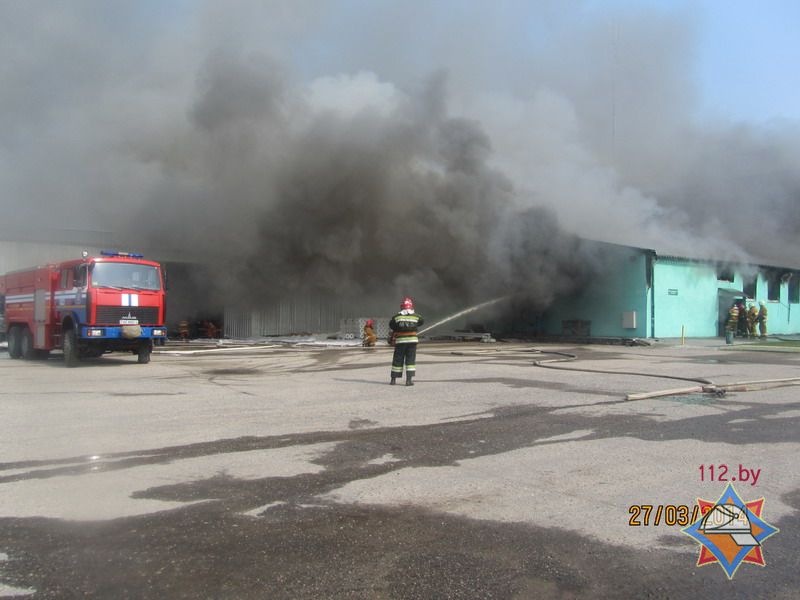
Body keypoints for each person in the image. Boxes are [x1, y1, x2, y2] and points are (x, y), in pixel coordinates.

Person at [389, 296, 424, 386]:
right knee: (410, 360)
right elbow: (421, 322)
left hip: (400, 342)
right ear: (411, 306)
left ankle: (393, 380)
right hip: (412, 342)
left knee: (397, 359)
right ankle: (408, 381)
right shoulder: (416, 316)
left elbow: (392, 325)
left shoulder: (397, 317)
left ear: (402, 306)